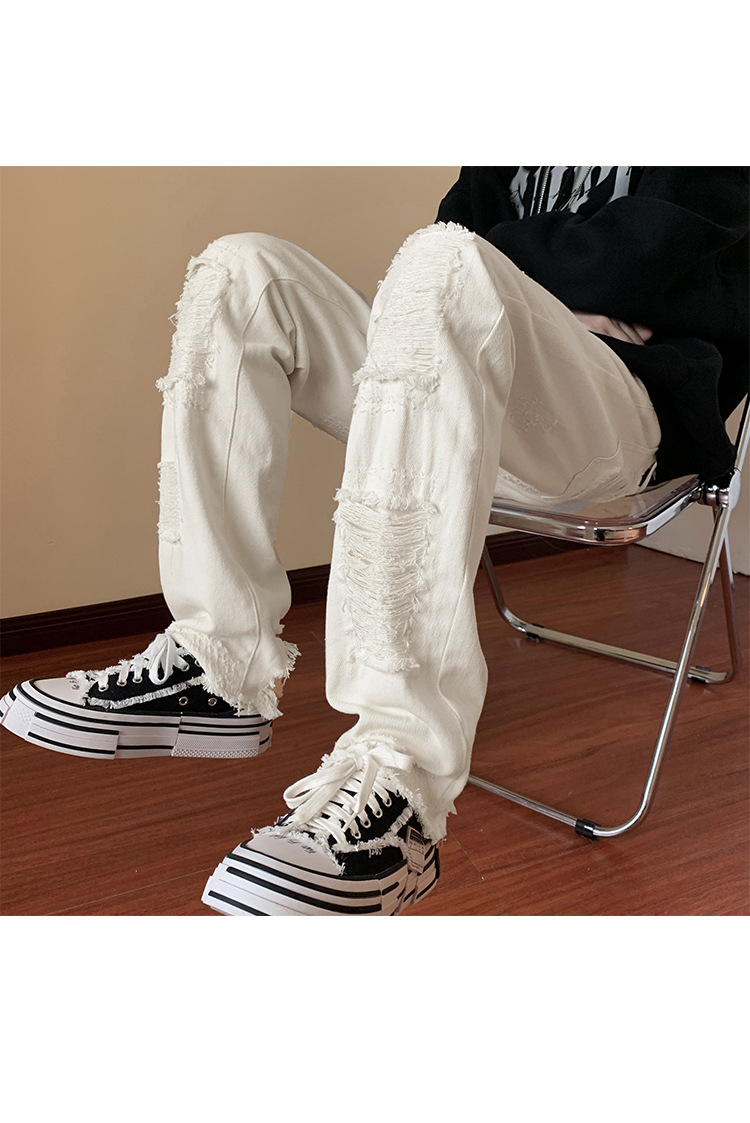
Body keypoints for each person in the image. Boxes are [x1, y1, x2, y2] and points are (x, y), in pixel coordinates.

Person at [2, 167, 747, 916]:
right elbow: (458, 238)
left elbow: (635, 258)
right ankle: (218, 658)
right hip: (465, 378)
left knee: (446, 267)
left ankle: (403, 781)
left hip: (617, 418)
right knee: (241, 271)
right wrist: (556, 278)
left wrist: (503, 266)